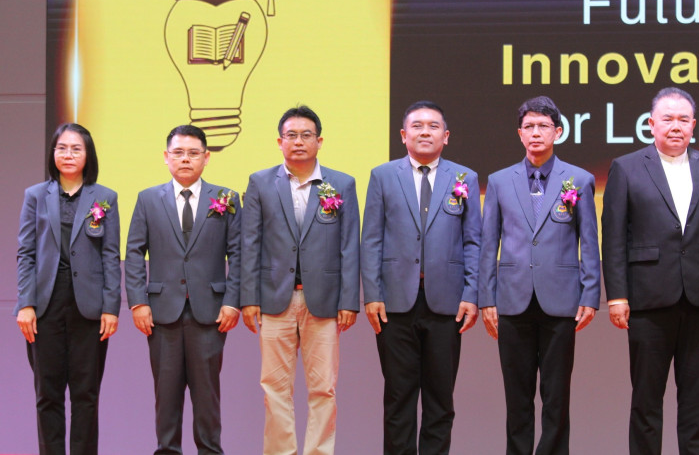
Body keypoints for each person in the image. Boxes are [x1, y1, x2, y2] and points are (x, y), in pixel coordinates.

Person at [478, 96, 600, 455]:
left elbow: (589, 241)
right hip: (512, 300)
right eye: (529, 126)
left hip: (561, 301)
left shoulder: (579, 179)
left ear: (557, 132)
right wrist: (486, 297)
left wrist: (590, 295)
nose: (536, 133)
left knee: (556, 397)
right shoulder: (499, 181)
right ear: (519, 133)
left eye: (543, 126)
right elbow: (488, 244)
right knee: (517, 399)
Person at [602, 87, 699, 455]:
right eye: (667, 119)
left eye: (683, 119)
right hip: (648, 298)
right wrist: (617, 296)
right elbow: (614, 236)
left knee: (697, 403)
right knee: (647, 401)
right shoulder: (626, 167)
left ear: (694, 125)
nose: (675, 126)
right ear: (651, 124)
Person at [361, 100, 481, 455]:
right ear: (403, 135)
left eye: (433, 126)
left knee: (440, 400)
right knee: (398, 399)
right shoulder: (383, 176)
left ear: (446, 136)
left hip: (447, 304)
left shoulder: (465, 178)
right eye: (417, 126)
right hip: (394, 303)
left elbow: (473, 241)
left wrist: (471, 293)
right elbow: (371, 239)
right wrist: (372, 294)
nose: (425, 132)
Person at [240, 105, 360, 455]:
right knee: (275, 388)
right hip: (274, 299)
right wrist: (249, 298)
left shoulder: (342, 184)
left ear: (319, 141)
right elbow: (250, 244)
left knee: (324, 389)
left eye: (306, 135)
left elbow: (349, 246)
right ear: (279, 142)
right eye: (291, 135)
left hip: (323, 301)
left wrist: (349, 301)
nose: (298, 141)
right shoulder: (260, 182)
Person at [124, 125, 241, 454]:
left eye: (193, 153)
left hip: (211, 313)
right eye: (178, 153)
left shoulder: (226, 198)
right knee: (166, 399)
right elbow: (134, 252)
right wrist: (137, 302)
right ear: (166, 157)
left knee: (208, 399)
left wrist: (233, 301)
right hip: (162, 314)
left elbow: (240, 254)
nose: (185, 159)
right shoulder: (148, 199)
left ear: (206, 157)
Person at [15, 123, 121, 455]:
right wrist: (25, 303)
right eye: (62, 148)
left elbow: (110, 255)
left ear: (88, 155)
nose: (68, 154)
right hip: (45, 305)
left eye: (76, 148)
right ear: (53, 153)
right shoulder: (35, 195)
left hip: (88, 307)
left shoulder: (104, 197)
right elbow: (26, 253)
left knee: (86, 395)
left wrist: (111, 307)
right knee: (47, 394)